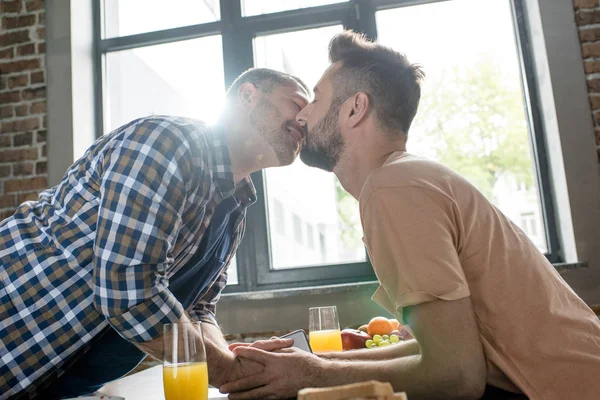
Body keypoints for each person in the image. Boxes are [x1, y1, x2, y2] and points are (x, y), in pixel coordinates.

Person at [220, 31, 600, 400]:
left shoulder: (394, 188)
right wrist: (310, 360)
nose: (302, 114)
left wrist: (310, 374)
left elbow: (456, 375)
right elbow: (435, 351)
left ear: (355, 108)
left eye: (316, 99)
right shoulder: (403, 179)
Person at [0, 68, 309, 399]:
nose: (305, 121)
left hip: (58, 382)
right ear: (248, 96)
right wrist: (232, 372)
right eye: (296, 104)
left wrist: (236, 365)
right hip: (14, 337)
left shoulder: (234, 207)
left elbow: (197, 309)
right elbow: (127, 292)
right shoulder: (169, 143)